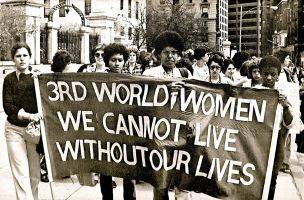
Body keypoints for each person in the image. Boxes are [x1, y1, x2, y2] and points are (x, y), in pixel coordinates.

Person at [143, 31, 191, 200]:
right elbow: (143, 102)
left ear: (178, 55)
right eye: (166, 52)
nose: (170, 56)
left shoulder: (185, 75)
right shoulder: (150, 75)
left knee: (181, 179)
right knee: (160, 180)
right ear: (158, 54)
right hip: (159, 134)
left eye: (174, 53)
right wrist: (163, 92)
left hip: (180, 133)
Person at [2, 42, 41, 200]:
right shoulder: (9, 79)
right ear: (13, 59)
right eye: (18, 56)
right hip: (14, 130)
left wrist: (41, 82)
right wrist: (28, 115)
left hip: (33, 131)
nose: (22, 59)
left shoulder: (37, 78)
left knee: (34, 174)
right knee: (21, 173)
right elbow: (8, 106)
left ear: (30, 58)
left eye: (25, 55)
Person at [99, 43, 136, 200]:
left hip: (127, 131)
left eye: (120, 60)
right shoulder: (99, 81)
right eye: (113, 60)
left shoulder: (132, 80)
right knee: (106, 171)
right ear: (107, 61)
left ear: (124, 61)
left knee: (129, 172)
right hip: (106, 132)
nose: (117, 63)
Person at [257, 56, 293, 200]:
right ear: (260, 73)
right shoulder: (253, 92)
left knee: (272, 178)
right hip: (257, 139)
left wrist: (285, 107)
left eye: (273, 74)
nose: (269, 78)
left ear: (278, 75)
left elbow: (289, 123)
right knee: (256, 177)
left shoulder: (283, 95)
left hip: (275, 141)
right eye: (266, 74)